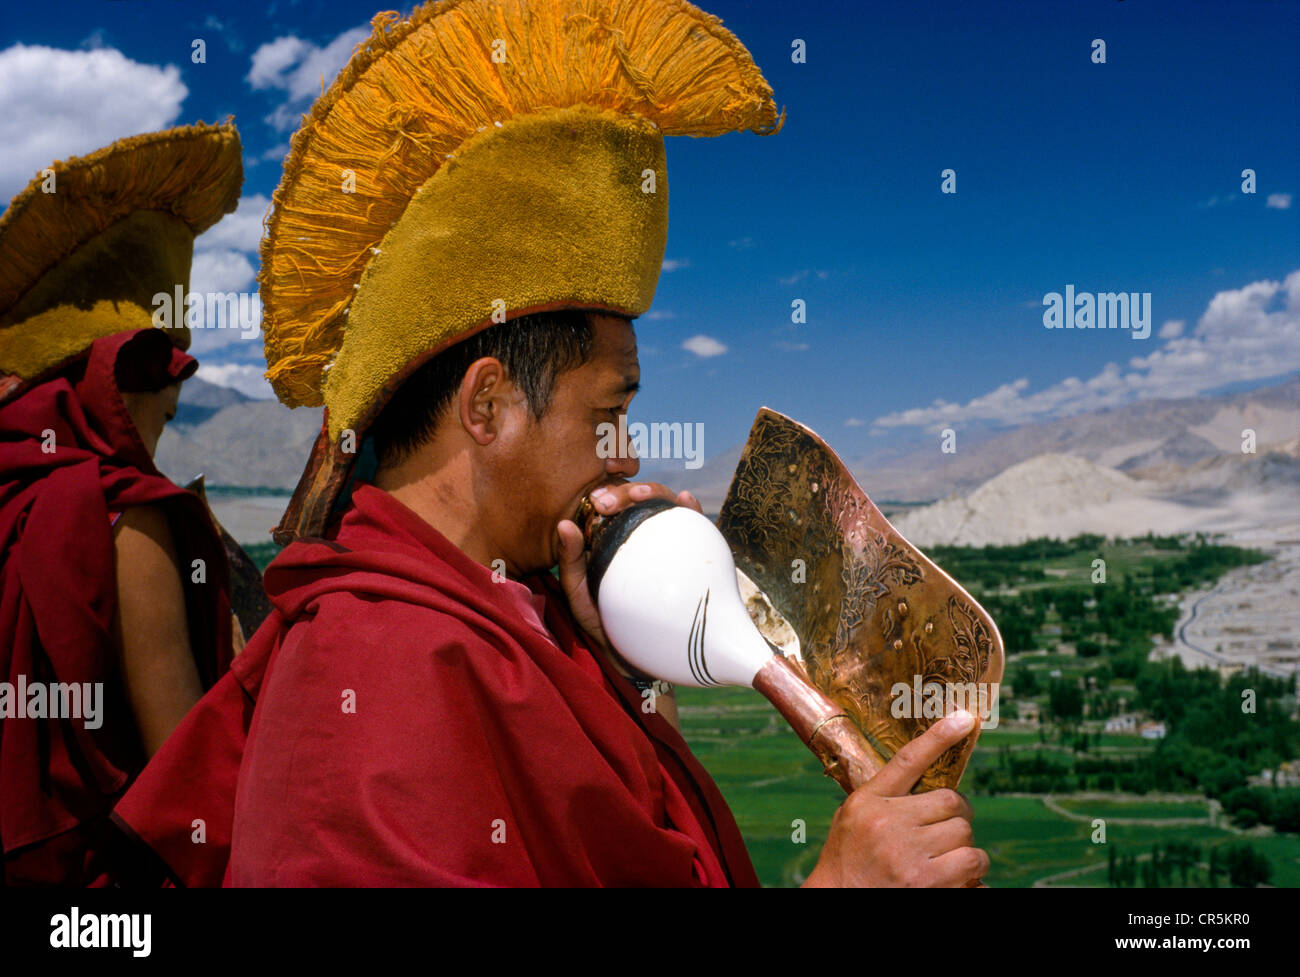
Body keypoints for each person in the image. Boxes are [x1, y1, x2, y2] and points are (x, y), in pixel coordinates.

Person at [113, 0, 987, 887]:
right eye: (609, 414)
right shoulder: (372, 673)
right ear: (487, 405)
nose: (629, 455)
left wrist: (631, 679)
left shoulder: (526, 621)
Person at [0, 123, 243, 885]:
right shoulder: (126, 516)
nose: (157, 446)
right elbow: (188, 780)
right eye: (164, 418)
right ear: (119, 387)